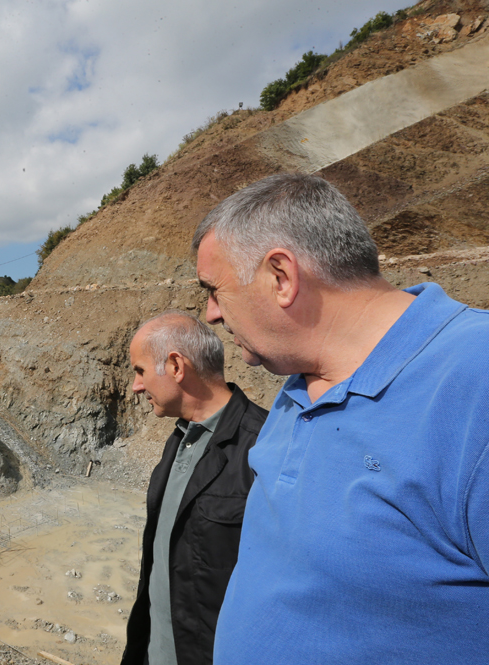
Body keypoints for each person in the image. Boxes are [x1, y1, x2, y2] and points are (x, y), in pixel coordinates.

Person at [193, 172, 489, 664]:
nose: (211, 314)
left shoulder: (474, 382)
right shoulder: (296, 384)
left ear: (281, 277)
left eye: (214, 290)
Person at [121, 311, 267, 665]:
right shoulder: (180, 438)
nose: (136, 386)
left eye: (140, 371)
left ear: (175, 366)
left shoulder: (266, 447)